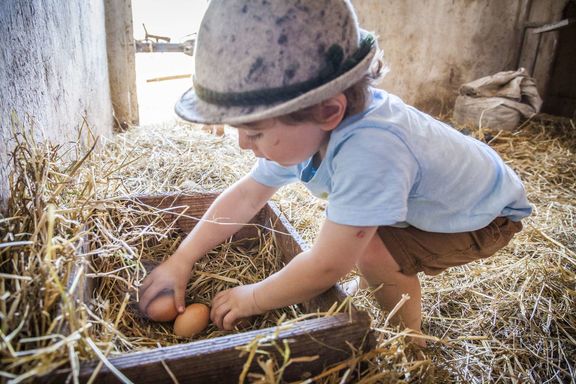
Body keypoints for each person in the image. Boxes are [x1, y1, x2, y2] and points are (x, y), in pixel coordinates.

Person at [138, 0, 531, 343]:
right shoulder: (306, 131)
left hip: (482, 216)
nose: (243, 144)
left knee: (373, 252)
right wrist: (182, 258)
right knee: (360, 236)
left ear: (328, 111)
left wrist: (254, 297)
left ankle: (412, 343)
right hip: (437, 198)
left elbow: (329, 264)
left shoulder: (371, 149)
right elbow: (247, 195)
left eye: (254, 132)